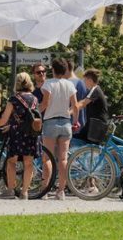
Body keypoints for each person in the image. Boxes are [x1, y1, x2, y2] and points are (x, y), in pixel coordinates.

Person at [0, 72, 42, 200]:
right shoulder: (35, 99)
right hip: (32, 133)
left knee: (11, 162)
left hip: (17, 133)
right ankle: (25, 192)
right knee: (29, 163)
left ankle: (10, 190)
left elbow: (4, 119)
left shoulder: (14, 99)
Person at [40, 58, 79, 200]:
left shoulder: (48, 84)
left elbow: (45, 103)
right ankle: (60, 191)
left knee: (47, 158)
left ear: (53, 69)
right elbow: (75, 106)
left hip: (50, 123)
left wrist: (35, 112)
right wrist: (75, 121)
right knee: (63, 159)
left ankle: (45, 190)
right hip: (66, 123)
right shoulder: (69, 85)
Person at [73, 69, 109, 143]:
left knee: (76, 140)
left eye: (84, 80)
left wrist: (68, 112)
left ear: (89, 80)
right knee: (77, 139)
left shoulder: (95, 90)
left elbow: (83, 103)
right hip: (93, 125)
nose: (84, 82)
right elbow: (82, 102)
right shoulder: (93, 90)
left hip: (96, 126)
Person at [65, 59, 88, 129]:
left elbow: (79, 105)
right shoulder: (80, 83)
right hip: (73, 123)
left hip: (75, 124)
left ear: (67, 69)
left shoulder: (78, 83)